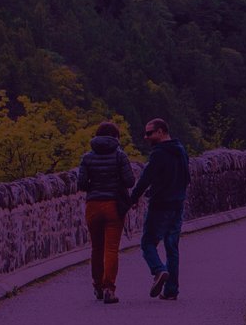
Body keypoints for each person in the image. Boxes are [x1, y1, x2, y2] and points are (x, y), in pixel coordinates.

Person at [128, 116, 189, 300]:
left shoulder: (159, 154)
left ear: (160, 132)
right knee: (172, 247)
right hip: (178, 204)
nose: (146, 137)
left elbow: (146, 178)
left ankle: (158, 270)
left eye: (149, 133)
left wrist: (132, 199)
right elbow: (187, 177)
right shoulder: (180, 150)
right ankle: (171, 290)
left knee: (147, 242)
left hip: (160, 205)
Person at [74, 121, 135, 303]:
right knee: (111, 249)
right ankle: (109, 288)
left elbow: (82, 184)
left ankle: (97, 286)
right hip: (113, 205)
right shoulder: (120, 156)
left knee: (96, 248)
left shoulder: (87, 158)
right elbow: (130, 181)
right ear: (115, 137)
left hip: (93, 205)